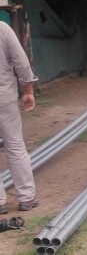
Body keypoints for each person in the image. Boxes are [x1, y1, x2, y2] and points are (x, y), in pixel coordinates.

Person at [0, 21, 39, 213]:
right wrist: (28, 90)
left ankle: (0, 203)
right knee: (15, 145)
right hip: (5, 97)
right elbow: (21, 61)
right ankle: (26, 198)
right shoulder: (3, 29)